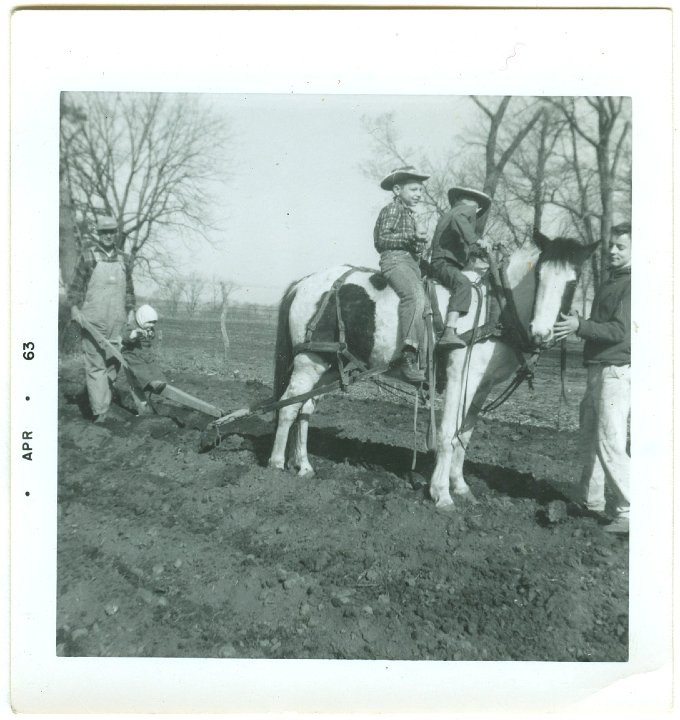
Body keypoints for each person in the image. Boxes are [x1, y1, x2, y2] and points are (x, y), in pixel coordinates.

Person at [553, 222, 632, 534]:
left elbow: (621, 332)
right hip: (597, 368)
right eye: (612, 245)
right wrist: (579, 321)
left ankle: (631, 510)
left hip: (615, 370)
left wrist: (580, 327)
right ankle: (591, 501)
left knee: (611, 442)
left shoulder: (635, 284)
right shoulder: (613, 281)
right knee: (590, 439)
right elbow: (599, 324)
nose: (612, 250)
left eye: (621, 246)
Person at [67, 215, 135, 423]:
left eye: (111, 232)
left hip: (117, 320)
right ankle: (100, 411)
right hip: (93, 320)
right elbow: (76, 287)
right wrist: (74, 308)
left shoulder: (125, 258)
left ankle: (102, 395)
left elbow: (130, 289)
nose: (107, 236)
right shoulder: (88, 256)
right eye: (104, 232)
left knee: (114, 363)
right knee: (96, 364)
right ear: (98, 233)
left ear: (116, 234)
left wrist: (131, 310)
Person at [374, 166, 430, 383]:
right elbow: (382, 240)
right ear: (397, 190)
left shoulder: (411, 215)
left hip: (410, 264)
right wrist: (410, 237)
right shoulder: (392, 210)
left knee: (426, 304)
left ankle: (423, 359)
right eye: (414, 189)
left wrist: (419, 243)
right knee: (414, 296)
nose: (418, 194)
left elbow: (414, 248)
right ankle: (407, 354)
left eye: (421, 191)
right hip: (394, 261)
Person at [429, 186, 492, 349]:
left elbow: (467, 247)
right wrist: (476, 240)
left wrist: (487, 248)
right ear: (476, 206)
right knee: (463, 283)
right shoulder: (465, 211)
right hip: (444, 263)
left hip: (443, 261)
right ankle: (449, 331)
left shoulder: (451, 216)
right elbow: (460, 220)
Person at [121, 304, 167, 407]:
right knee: (141, 369)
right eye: (149, 322)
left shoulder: (150, 329)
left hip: (146, 354)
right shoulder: (132, 327)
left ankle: (161, 386)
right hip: (133, 354)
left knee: (155, 369)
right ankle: (151, 382)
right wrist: (134, 334)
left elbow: (152, 336)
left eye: (154, 323)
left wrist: (151, 334)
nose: (152, 325)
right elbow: (126, 336)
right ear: (141, 319)